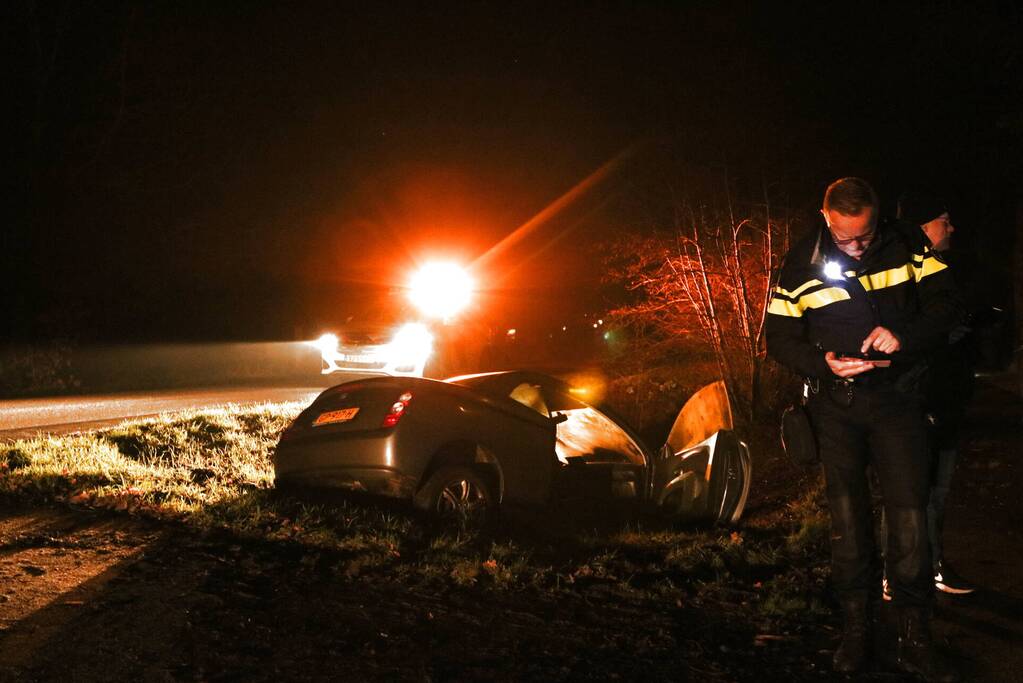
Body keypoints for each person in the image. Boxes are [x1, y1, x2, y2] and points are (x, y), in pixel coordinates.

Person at [766, 178, 963, 681]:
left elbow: (947, 306)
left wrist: (906, 334)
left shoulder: (908, 245)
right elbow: (780, 341)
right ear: (826, 217)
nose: (858, 247)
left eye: (866, 236)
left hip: (900, 403)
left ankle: (913, 635)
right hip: (839, 409)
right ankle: (857, 632)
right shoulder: (795, 266)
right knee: (848, 522)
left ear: (877, 219)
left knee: (910, 518)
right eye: (847, 238)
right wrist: (822, 363)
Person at [897, 192, 977, 596]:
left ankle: (932, 566)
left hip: (945, 397)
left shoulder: (944, 273)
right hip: (917, 399)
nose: (951, 227)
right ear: (924, 226)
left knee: (937, 490)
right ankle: (901, 574)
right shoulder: (907, 276)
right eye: (944, 220)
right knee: (911, 490)